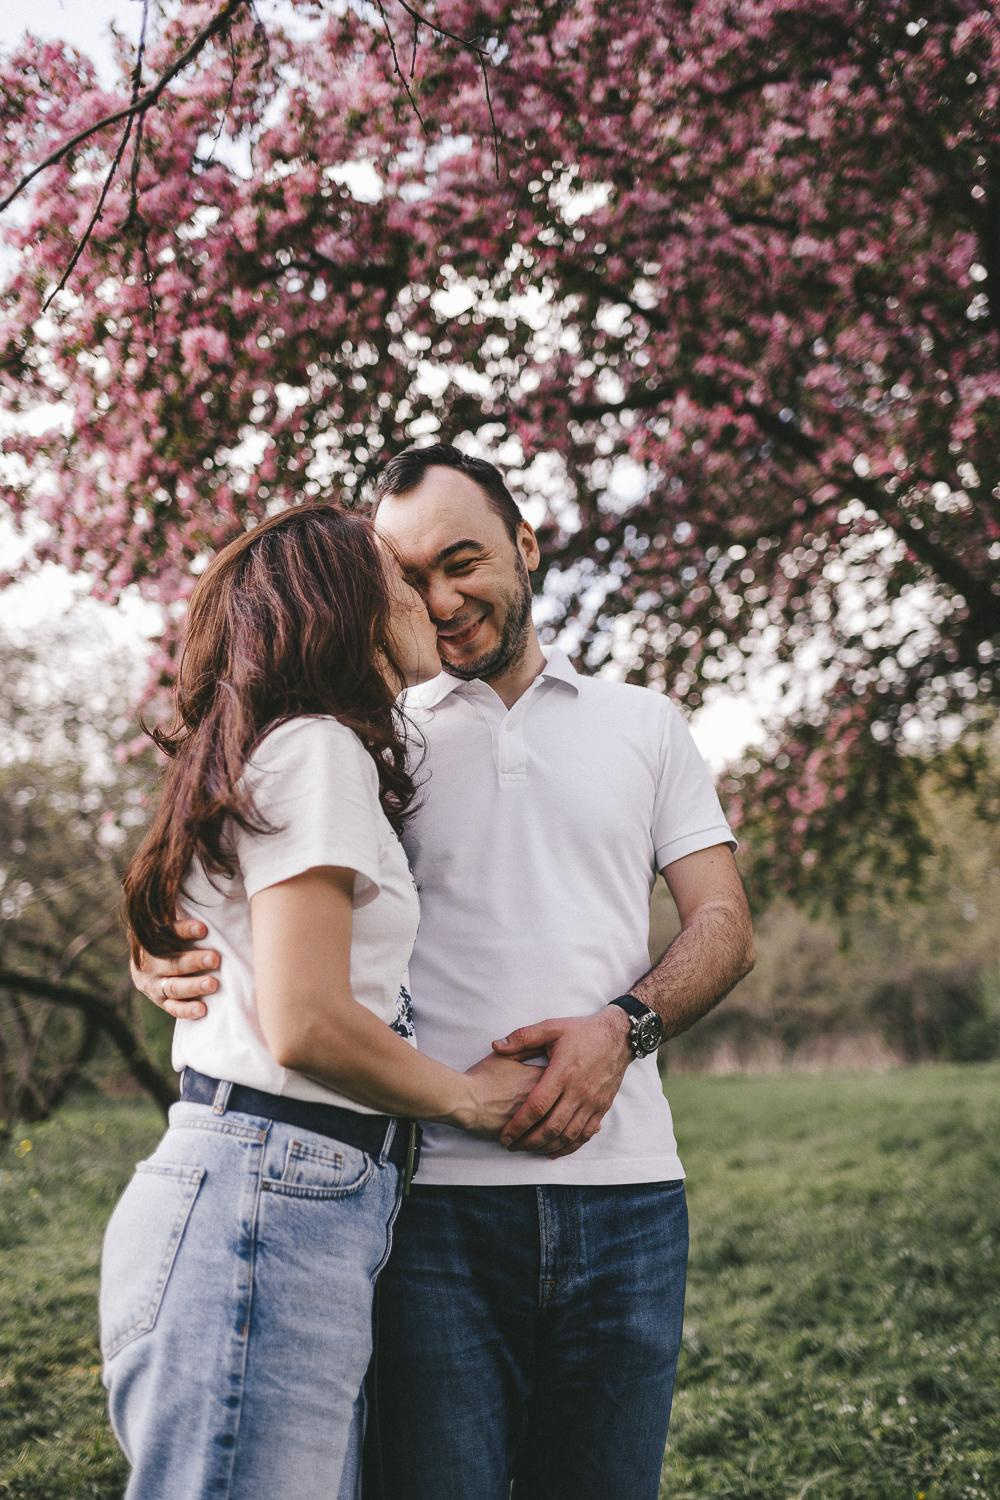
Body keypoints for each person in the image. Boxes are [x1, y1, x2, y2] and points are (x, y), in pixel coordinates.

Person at [135, 446, 755, 1500]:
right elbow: (237, 851)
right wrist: (162, 940)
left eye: (463, 560)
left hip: (630, 1195)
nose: (440, 597)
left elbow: (725, 928)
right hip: (426, 1204)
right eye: (410, 575)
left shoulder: (643, 725)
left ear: (526, 544)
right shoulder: (370, 728)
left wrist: (624, 1028)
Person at [102, 502, 540, 1500]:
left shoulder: (286, 750)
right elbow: (305, 1024)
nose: (427, 599)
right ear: (344, 605)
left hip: (273, 1195)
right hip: (265, 1200)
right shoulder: (317, 749)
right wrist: (470, 1099)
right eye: (397, 575)